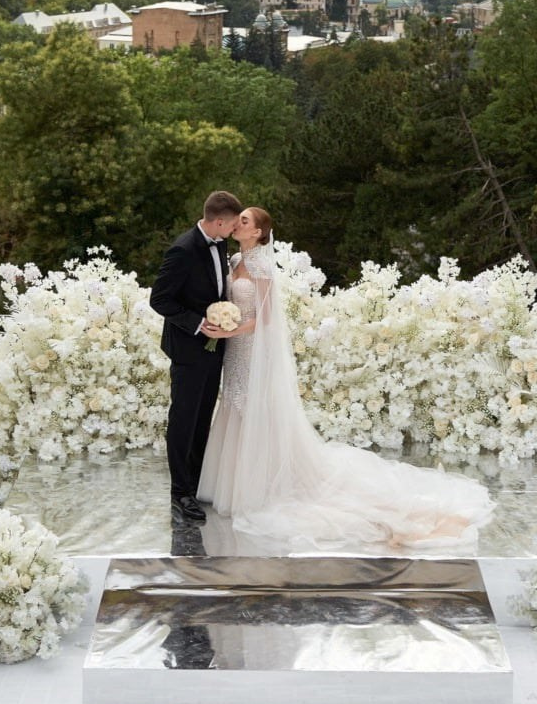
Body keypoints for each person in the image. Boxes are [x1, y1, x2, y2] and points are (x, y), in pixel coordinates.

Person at [197, 206, 494, 548]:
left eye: (245, 221)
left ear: (259, 233)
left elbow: (265, 320)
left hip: (251, 350)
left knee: (255, 408)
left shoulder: (263, 266)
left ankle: (262, 484)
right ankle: (230, 483)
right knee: (234, 402)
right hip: (235, 352)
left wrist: (228, 332)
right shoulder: (234, 262)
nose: (238, 224)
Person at [148, 190, 243, 523]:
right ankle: (180, 493)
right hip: (189, 348)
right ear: (219, 221)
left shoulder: (219, 243)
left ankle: (197, 483)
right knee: (184, 419)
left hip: (214, 349)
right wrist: (199, 323)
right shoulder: (183, 250)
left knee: (203, 415)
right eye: (232, 226)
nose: (233, 231)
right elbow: (159, 300)